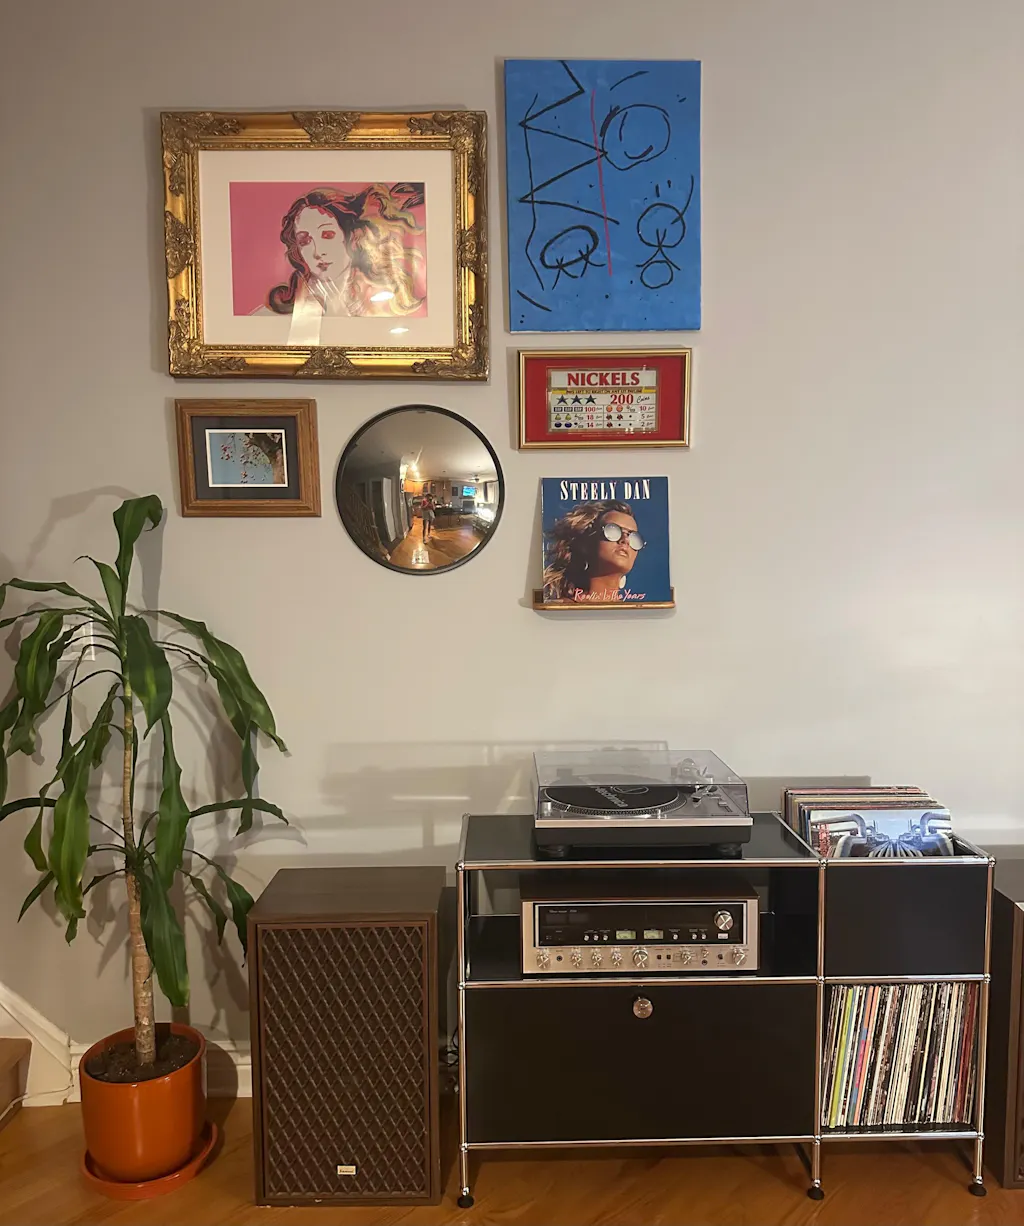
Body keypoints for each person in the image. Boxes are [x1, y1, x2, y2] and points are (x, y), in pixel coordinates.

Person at [265, 183, 425, 318]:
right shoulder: (275, 316)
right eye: (304, 241)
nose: (317, 251)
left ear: (352, 236)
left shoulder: (384, 302)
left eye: (327, 235)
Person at [542, 500, 645, 602]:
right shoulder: (560, 609)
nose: (626, 540)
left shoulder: (635, 614)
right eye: (612, 530)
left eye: (633, 537)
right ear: (586, 545)